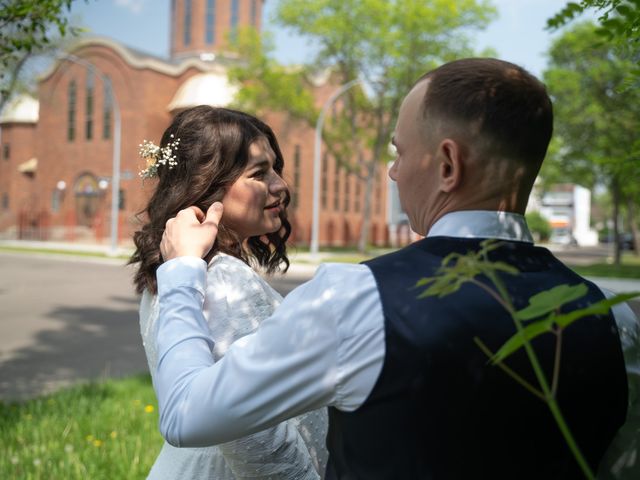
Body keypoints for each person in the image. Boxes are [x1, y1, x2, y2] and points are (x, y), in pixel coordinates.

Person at [152, 59, 640, 479]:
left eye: (400, 152)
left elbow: (186, 416)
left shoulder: (355, 299)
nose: (393, 171)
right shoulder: (616, 321)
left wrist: (179, 273)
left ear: (448, 165)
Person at [129, 105, 328, 479]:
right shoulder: (219, 280)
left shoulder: (179, 268)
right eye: (258, 173)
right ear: (207, 184)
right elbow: (252, 436)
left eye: (276, 168)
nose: (281, 185)